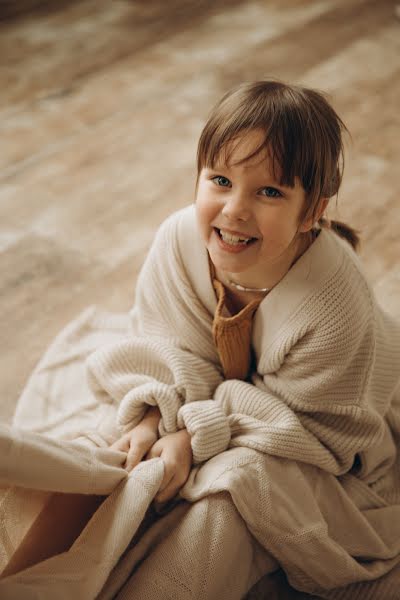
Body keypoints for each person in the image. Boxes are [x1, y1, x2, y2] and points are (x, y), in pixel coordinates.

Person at [2, 80, 400, 599]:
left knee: (234, 486)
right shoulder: (179, 240)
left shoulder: (332, 299)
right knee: (115, 446)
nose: (234, 209)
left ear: (313, 211)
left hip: (309, 427)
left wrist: (193, 436)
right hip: (231, 401)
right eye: (219, 179)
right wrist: (152, 417)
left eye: (269, 191)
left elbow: (316, 430)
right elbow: (169, 348)